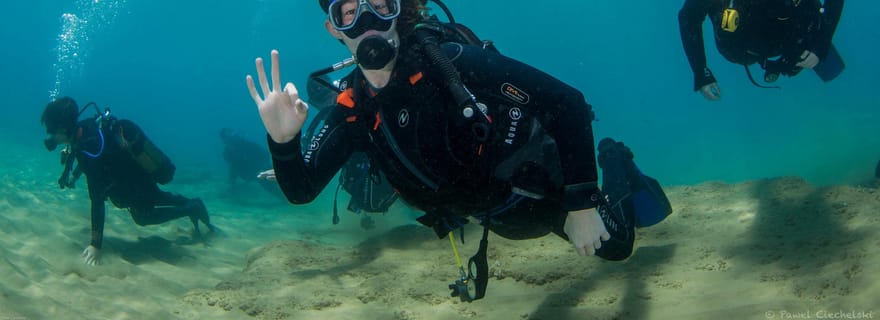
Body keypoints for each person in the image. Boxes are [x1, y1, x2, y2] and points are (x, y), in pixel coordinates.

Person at [246, 0, 666, 299]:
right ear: (334, 28)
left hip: (542, 187)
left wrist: (580, 202)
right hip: (489, 214)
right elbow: (301, 190)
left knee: (620, 245)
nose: (368, 21)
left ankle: (614, 156)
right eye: (351, 11)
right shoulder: (354, 110)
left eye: (380, 5)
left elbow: (566, 102)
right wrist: (283, 143)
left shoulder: (450, 63)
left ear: (400, 11)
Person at [41, 97, 214, 266]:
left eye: (51, 130)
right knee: (157, 197)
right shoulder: (86, 128)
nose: (50, 135)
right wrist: (74, 175)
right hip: (136, 179)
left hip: (133, 184)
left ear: (63, 128)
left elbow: (97, 200)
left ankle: (191, 208)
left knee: (143, 217)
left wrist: (95, 245)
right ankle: (192, 204)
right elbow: (82, 155)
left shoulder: (90, 148)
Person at [679, 0, 845, 100]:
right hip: (745, 46)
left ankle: (802, 53)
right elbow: (689, 16)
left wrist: (821, 44)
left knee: (810, 27)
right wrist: (700, 71)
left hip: (795, 33)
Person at [220, 127, 285, 199]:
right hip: (248, 173)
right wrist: (232, 182)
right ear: (224, 140)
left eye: (232, 134)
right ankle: (283, 196)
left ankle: (285, 195)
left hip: (260, 168)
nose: (234, 136)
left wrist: (263, 167)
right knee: (267, 181)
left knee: (275, 179)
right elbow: (233, 167)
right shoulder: (227, 153)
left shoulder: (246, 145)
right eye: (230, 135)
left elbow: (264, 154)